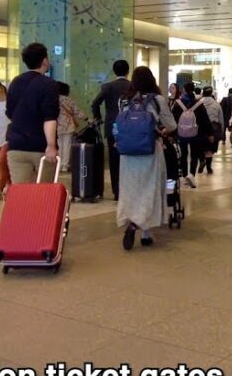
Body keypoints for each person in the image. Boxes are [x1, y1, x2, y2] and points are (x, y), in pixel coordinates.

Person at [116, 66, 177, 250]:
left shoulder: (123, 100)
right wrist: (162, 131)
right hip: (150, 151)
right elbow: (172, 125)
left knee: (131, 191)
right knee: (150, 190)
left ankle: (133, 223)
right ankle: (143, 231)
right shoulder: (158, 100)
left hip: (128, 154)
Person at [5, 43, 59, 184]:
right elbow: (50, 118)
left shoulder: (15, 82)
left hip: (16, 146)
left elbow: (10, 113)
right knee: (43, 192)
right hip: (40, 147)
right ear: (45, 61)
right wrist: (51, 145)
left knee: (21, 192)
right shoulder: (49, 84)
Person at [91, 60, 131, 201]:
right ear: (128, 71)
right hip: (130, 127)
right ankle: (128, 189)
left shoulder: (108, 86)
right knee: (129, 159)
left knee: (114, 160)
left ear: (114, 71)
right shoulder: (132, 86)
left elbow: (95, 103)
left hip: (112, 126)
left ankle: (116, 191)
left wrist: (98, 117)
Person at [171, 82, 213, 185]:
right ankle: (192, 175)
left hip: (182, 134)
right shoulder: (198, 104)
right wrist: (210, 133)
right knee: (194, 155)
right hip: (196, 134)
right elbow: (205, 120)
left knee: (184, 154)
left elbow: (173, 119)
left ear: (184, 90)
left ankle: (185, 175)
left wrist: (172, 134)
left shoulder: (178, 103)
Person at [56, 81, 87, 172]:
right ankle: (64, 165)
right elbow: (77, 111)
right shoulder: (69, 100)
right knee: (67, 145)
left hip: (57, 125)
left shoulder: (53, 99)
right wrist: (86, 118)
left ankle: (58, 164)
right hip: (68, 125)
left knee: (59, 145)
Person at [199, 86, 223, 174]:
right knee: (209, 150)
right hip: (213, 129)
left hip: (201, 129)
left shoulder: (199, 103)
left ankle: (202, 161)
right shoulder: (216, 104)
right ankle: (209, 168)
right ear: (211, 93)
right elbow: (221, 119)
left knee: (201, 147)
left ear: (203, 93)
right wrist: (222, 131)